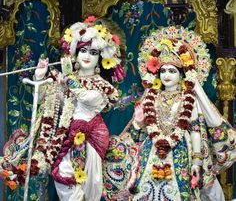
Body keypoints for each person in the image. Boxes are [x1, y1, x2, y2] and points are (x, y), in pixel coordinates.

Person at [103, 26, 236, 201]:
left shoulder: (189, 98)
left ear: (182, 75)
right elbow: (137, 131)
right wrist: (138, 121)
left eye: (172, 71)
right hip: (151, 150)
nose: (166, 75)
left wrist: (196, 161)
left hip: (180, 151)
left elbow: (195, 130)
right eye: (163, 70)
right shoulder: (151, 97)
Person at [0, 16, 126, 201]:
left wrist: (67, 79)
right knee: (65, 178)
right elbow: (45, 98)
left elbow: (87, 98)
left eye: (93, 52)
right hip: (67, 134)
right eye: (83, 50)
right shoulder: (64, 79)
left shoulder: (101, 85)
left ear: (100, 57)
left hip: (93, 136)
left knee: (91, 185)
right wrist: (39, 77)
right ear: (75, 52)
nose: (87, 56)